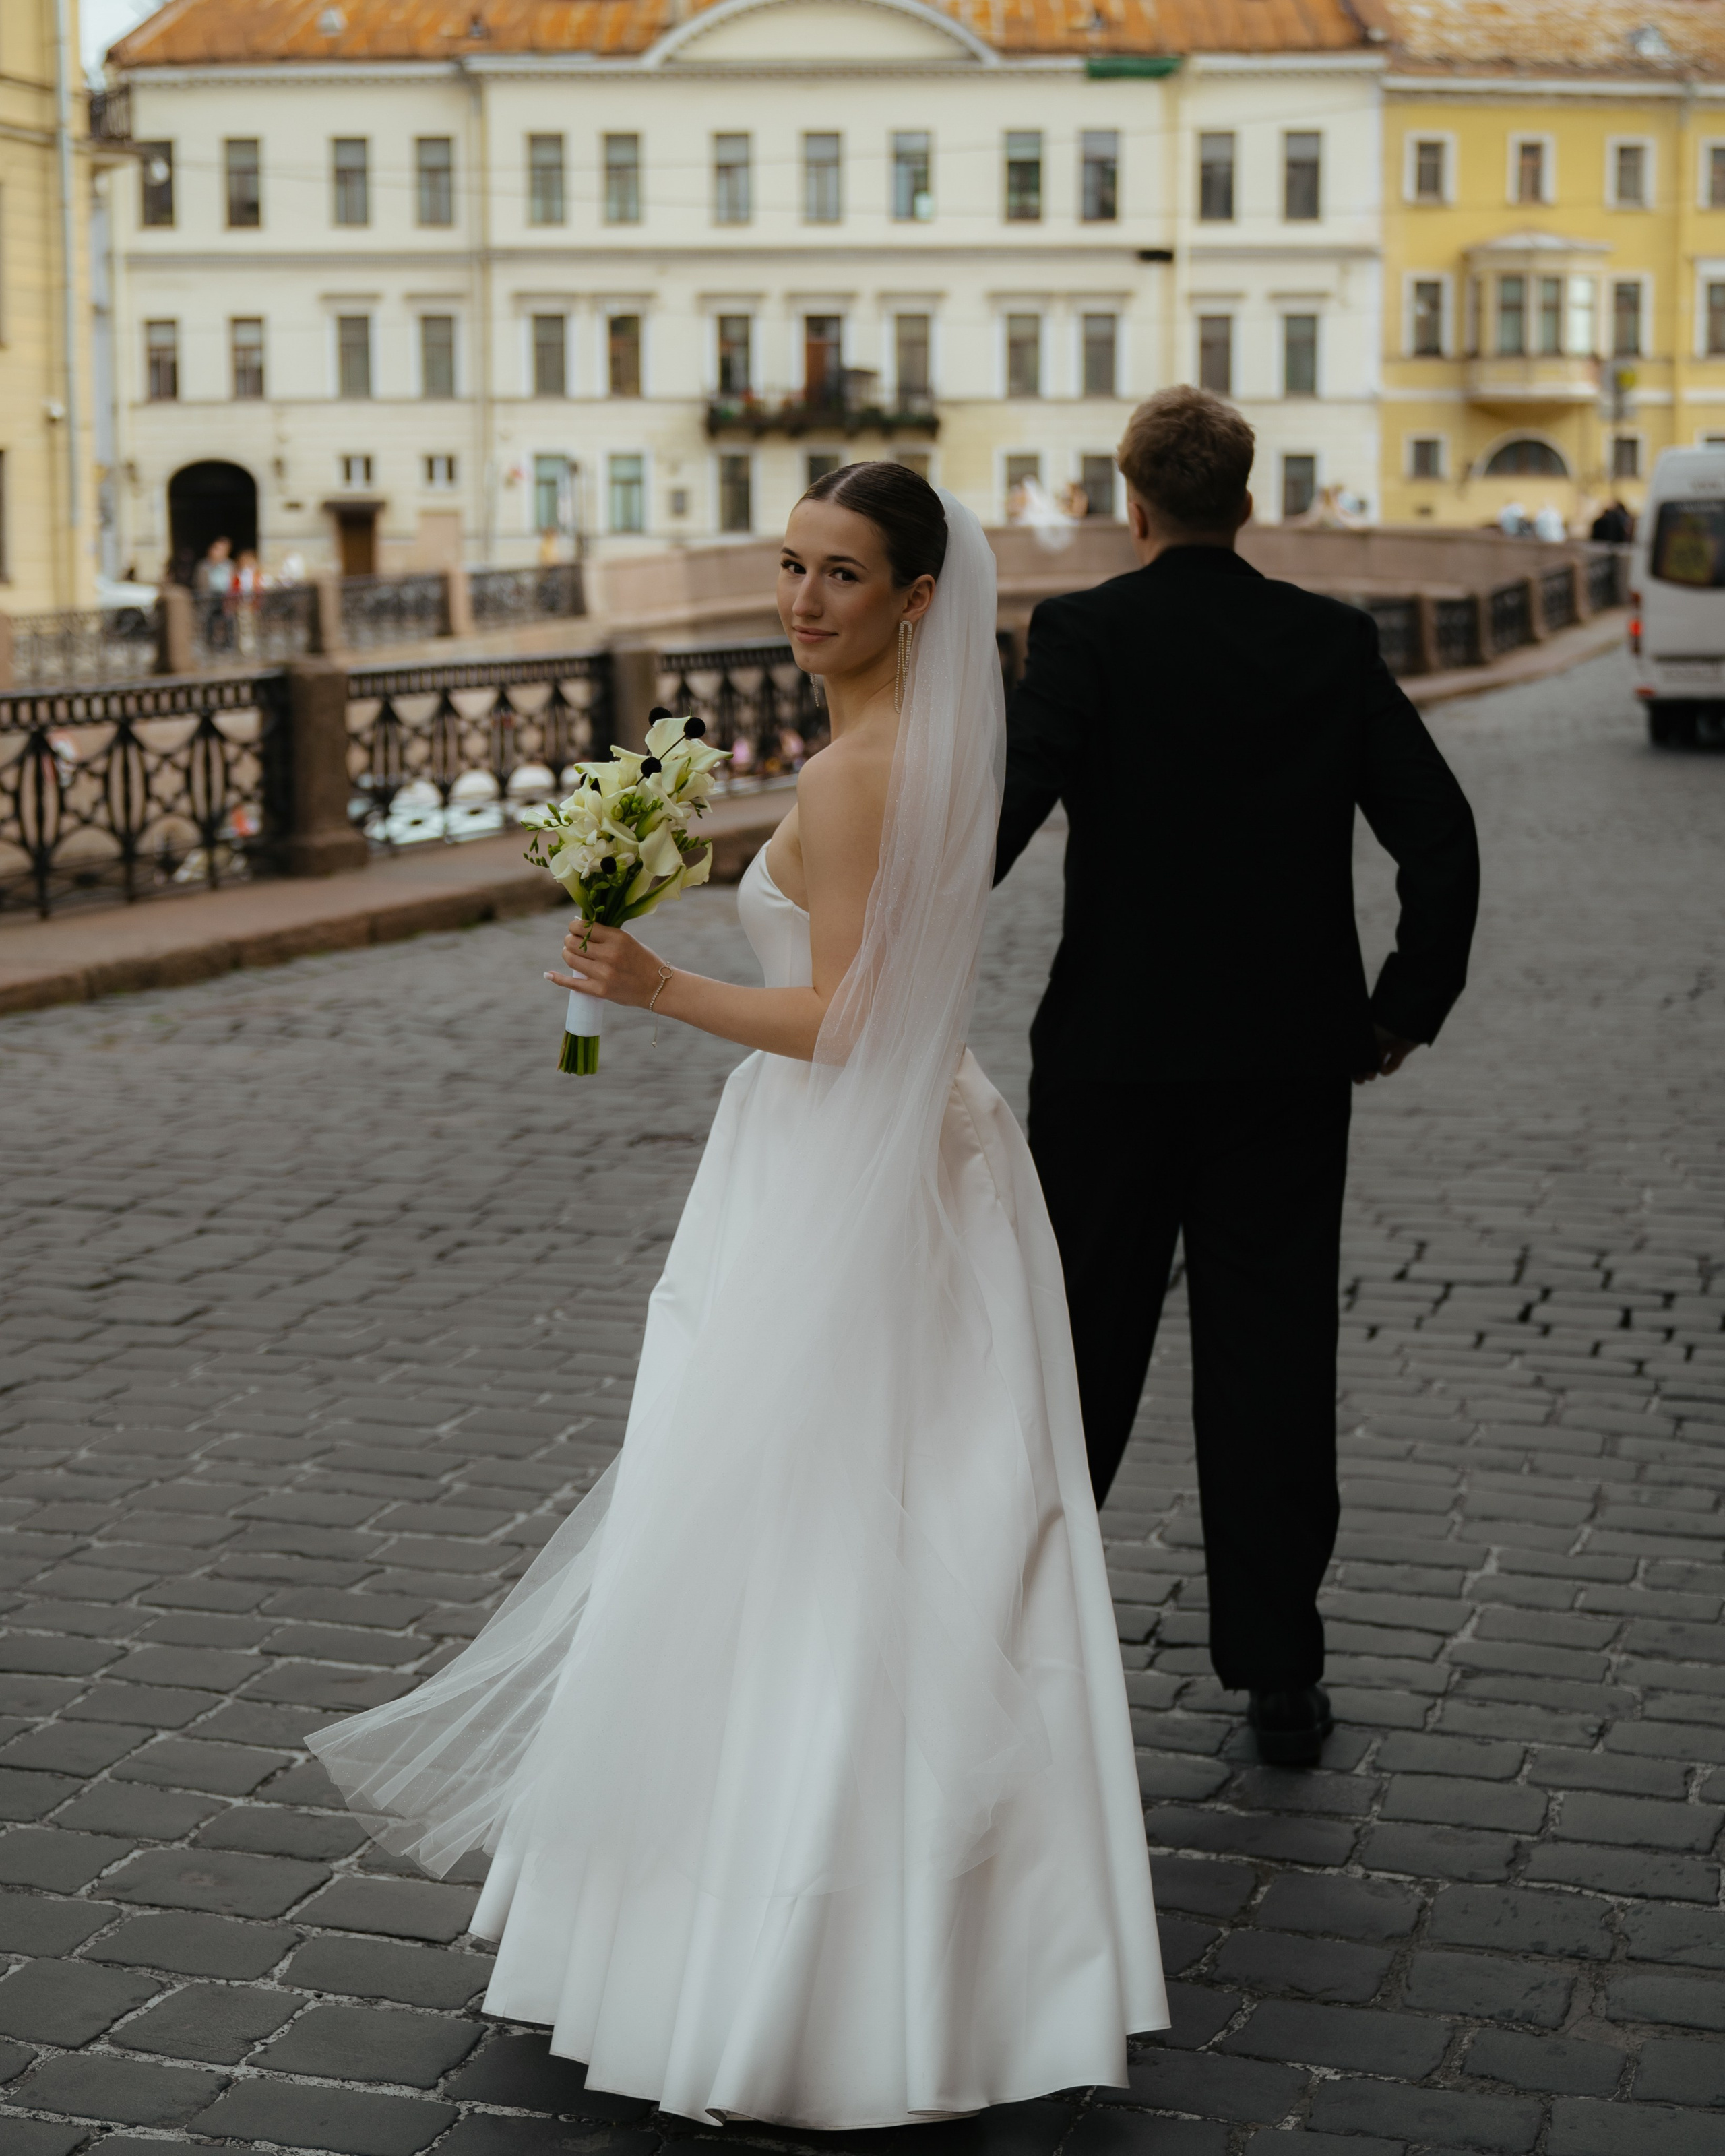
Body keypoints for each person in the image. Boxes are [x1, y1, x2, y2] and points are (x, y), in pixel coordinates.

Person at [309, 464, 1166, 2126]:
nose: (802, 599)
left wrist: (656, 978)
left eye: (841, 574)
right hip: (924, 1165)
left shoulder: (860, 774)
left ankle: (772, 1973)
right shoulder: (916, 750)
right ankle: (962, 1970)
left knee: (800, 1531)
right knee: (913, 1530)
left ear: (918, 597)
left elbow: (846, 1020)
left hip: (841, 1161)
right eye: (790, 565)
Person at [996, 387, 1479, 1767]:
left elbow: (1001, 821)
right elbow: (1437, 837)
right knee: (1270, 1362)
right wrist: (1402, 1005)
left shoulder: (1081, 634)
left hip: (1108, 1061)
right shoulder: (1325, 641)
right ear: (1247, 501)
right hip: (1282, 1064)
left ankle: (1031, 1639)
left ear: (1128, 502)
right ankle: (1277, 1673)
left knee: (1073, 1349)